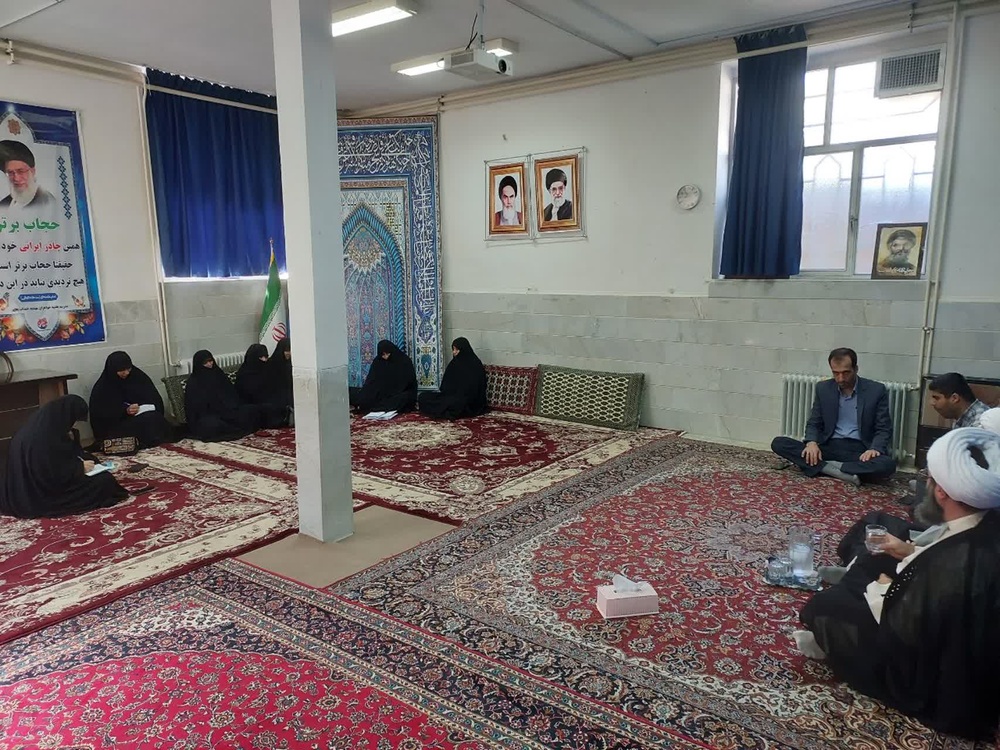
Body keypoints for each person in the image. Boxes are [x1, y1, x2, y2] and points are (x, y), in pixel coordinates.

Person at [795, 427, 1000, 740]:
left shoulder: (953, 560)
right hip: (936, 606)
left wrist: (884, 586)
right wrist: (907, 552)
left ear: (942, 492)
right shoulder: (984, 525)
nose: (925, 484)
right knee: (873, 554)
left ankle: (840, 620)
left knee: (823, 608)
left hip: (929, 673)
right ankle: (855, 575)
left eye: (929, 479)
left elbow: (905, 628)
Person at [771, 347, 896, 485]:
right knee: (779, 443)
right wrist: (812, 443)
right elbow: (814, 422)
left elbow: (883, 428)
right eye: (835, 373)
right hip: (829, 446)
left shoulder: (876, 390)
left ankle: (828, 467)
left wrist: (874, 449)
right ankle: (843, 471)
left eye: (846, 373)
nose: (840, 378)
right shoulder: (824, 389)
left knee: (887, 465)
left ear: (856, 369)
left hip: (860, 450)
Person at [0, 395, 128, 518]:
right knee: (104, 482)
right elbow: (49, 474)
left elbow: (62, 455)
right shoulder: (43, 438)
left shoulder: (44, 425)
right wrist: (79, 468)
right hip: (40, 494)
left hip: (24, 487)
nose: (74, 425)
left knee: (97, 469)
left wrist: (83, 459)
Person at [88, 351, 172, 449]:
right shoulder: (103, 387)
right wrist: (125, 410)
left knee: (154, 417)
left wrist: (142, 407)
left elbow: (154, 398)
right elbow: (102, 414)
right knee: (147, 420)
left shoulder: (138, 376)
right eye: (121, 370)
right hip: (117, 426)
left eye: (128, 369)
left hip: (141, 417)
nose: (126, 373)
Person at [184, 350, 261, 442]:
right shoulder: (194, 382)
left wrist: (230, 406)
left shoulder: (218, 374)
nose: (209, 364)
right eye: (205, 363)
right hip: (208, 414)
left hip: (227, 409)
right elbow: (194, 406)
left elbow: (231, 393)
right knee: (212, 424)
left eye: (210, 361)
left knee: (250, 411)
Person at [418, 337, 488, 420]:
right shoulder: (454, 363)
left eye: (457, 350)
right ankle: (446, 411)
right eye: (453, 349)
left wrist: (458, 395)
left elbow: (476, 390)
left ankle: (446, 411)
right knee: (423, 397)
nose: (454, 352)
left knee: (455, 404)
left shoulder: (475, 364)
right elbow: (445, 386)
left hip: (468, 401)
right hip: (451, 397)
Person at [349, 339, 417, 415]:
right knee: (364, 396)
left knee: (404, 398)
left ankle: (374, 407)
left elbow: (408, 383)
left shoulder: (404, 361)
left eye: (387, 354)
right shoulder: (378, 361)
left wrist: (390, 391)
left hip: (398, 392)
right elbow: (371, 381)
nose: (385, 357)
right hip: (382, 394)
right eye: (383, 354)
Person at [235, 344, 291, 428]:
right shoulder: (244, 373)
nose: (264, 360)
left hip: (268, 399)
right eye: (261, 357)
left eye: (266, 357)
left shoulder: (269, 369)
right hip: (252, 403)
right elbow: (244, 393)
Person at [0, 140, 57, 212]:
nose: (16, 178)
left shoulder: (47, 202)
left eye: (21, 171)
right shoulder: (4, 204)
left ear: (32, 171)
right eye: (10, 172)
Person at [266, 338, 293, 410]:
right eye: (287, 350)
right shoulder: (271, 364)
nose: (289, 353)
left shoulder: (292, 364)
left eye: (291, 350)